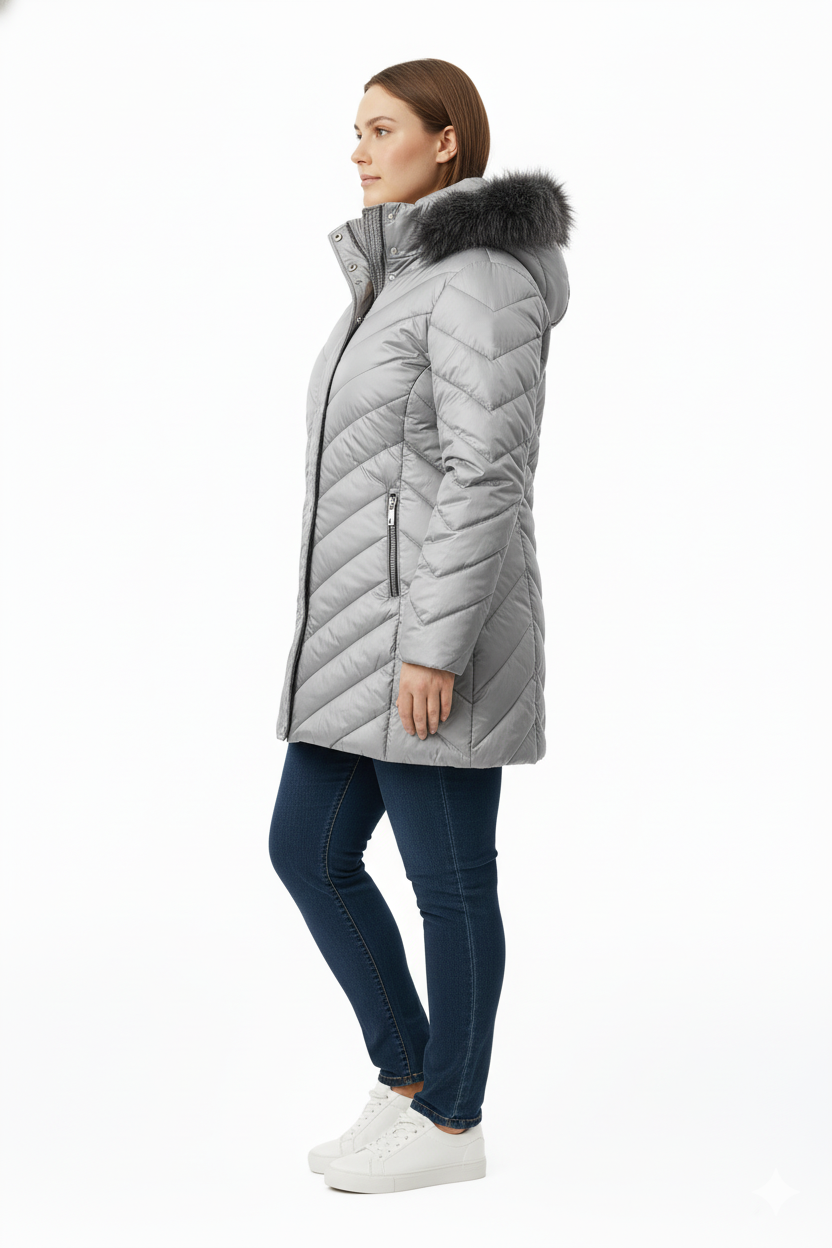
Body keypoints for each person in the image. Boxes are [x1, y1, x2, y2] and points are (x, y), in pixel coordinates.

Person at [268, 57, 573, 1195]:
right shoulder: (397, 278)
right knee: (307, 850)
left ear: (447, 142)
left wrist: (434, 647)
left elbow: (488, 473)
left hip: (430, 642)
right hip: (366, 633)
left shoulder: (478, 276)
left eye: (382, 128)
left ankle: (453, 1121)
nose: (358, 149)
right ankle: (408, 1078)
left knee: (448, 881)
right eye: (355, 129)